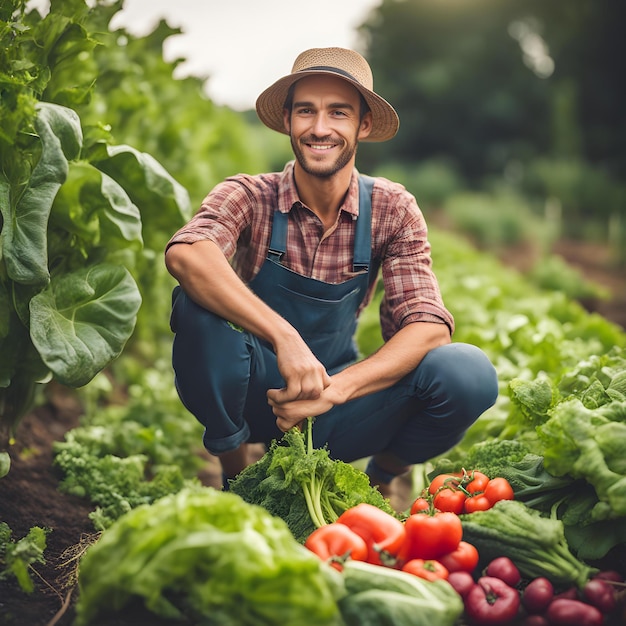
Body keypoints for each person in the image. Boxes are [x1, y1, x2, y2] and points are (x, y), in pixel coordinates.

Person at [165, 47, 498, 500]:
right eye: (306, 111)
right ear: (287, 120)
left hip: (333, 407)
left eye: (337, 112)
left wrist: (336, 390)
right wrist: (285, 339)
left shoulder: (391, 209)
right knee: (195, 307)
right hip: (252, 394)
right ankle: (237, 472)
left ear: (362, 125)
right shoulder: (249, 195)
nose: (319, 128)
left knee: (466, 374)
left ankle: (377, 480)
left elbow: (429, 326)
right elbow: (187, 254)